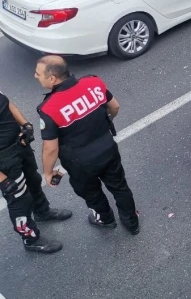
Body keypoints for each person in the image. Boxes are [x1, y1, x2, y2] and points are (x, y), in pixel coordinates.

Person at [35, 56, 140, 235]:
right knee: (119, 186)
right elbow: (114, 107)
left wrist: (48, 172)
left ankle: (106, 220)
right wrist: (105, 124)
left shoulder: (48, 108)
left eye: (38, 74)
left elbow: (50, 148)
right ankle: (131, 222)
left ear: (52, 78)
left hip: (80, 163)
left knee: (92, 193)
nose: (36, 76)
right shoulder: (94, 82)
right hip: (108, 149)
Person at [0, 92, 70, 254]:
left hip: (18, 143)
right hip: (4, 158)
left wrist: (25, 125)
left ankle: (42, 211)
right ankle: (30, 239)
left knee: (33, 180)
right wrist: (3, 180)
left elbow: (6, 103)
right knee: (18, 198)